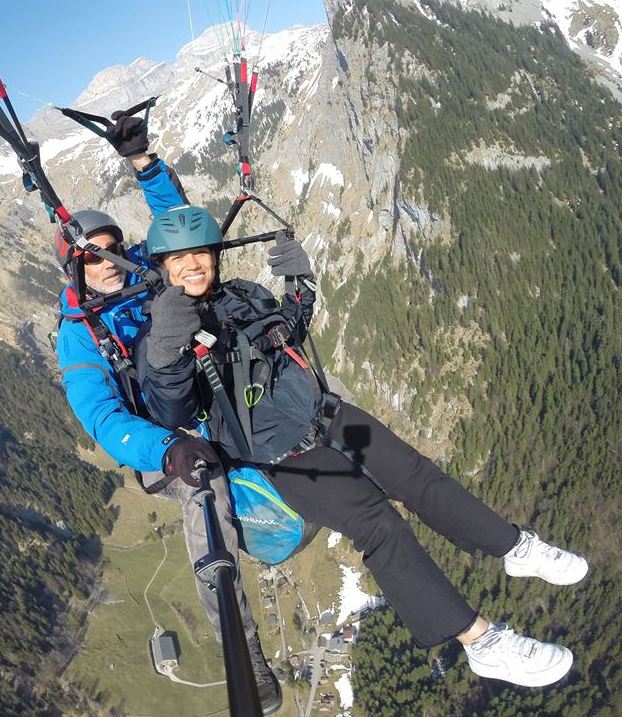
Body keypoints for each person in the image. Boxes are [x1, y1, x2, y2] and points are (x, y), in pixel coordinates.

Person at [135, 204, 589, 688]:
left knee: (417, 475)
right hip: (280, 459)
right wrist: (166, 347)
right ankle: (482, 643)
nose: (192, 265)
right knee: (379, 525)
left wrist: (301, 288)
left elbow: (289, 332)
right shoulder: (159, 333)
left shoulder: (245, 295)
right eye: (178, 258)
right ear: (162, 266)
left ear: (216, 255)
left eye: (200, 253)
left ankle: (513, 546)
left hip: (326, 413)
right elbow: (175, 413)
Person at [54, 118, 284, 712]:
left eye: (112, 250)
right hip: (162, 441)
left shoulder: (142, 269)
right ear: (75, 269)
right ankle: (246, 649)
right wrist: (165, 450)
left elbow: (177, 225)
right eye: (92, 258)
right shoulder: (79, 334)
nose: (108, 264)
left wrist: (143, 162)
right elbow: (101, 416)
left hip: (205, 398)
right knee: (204, 500)